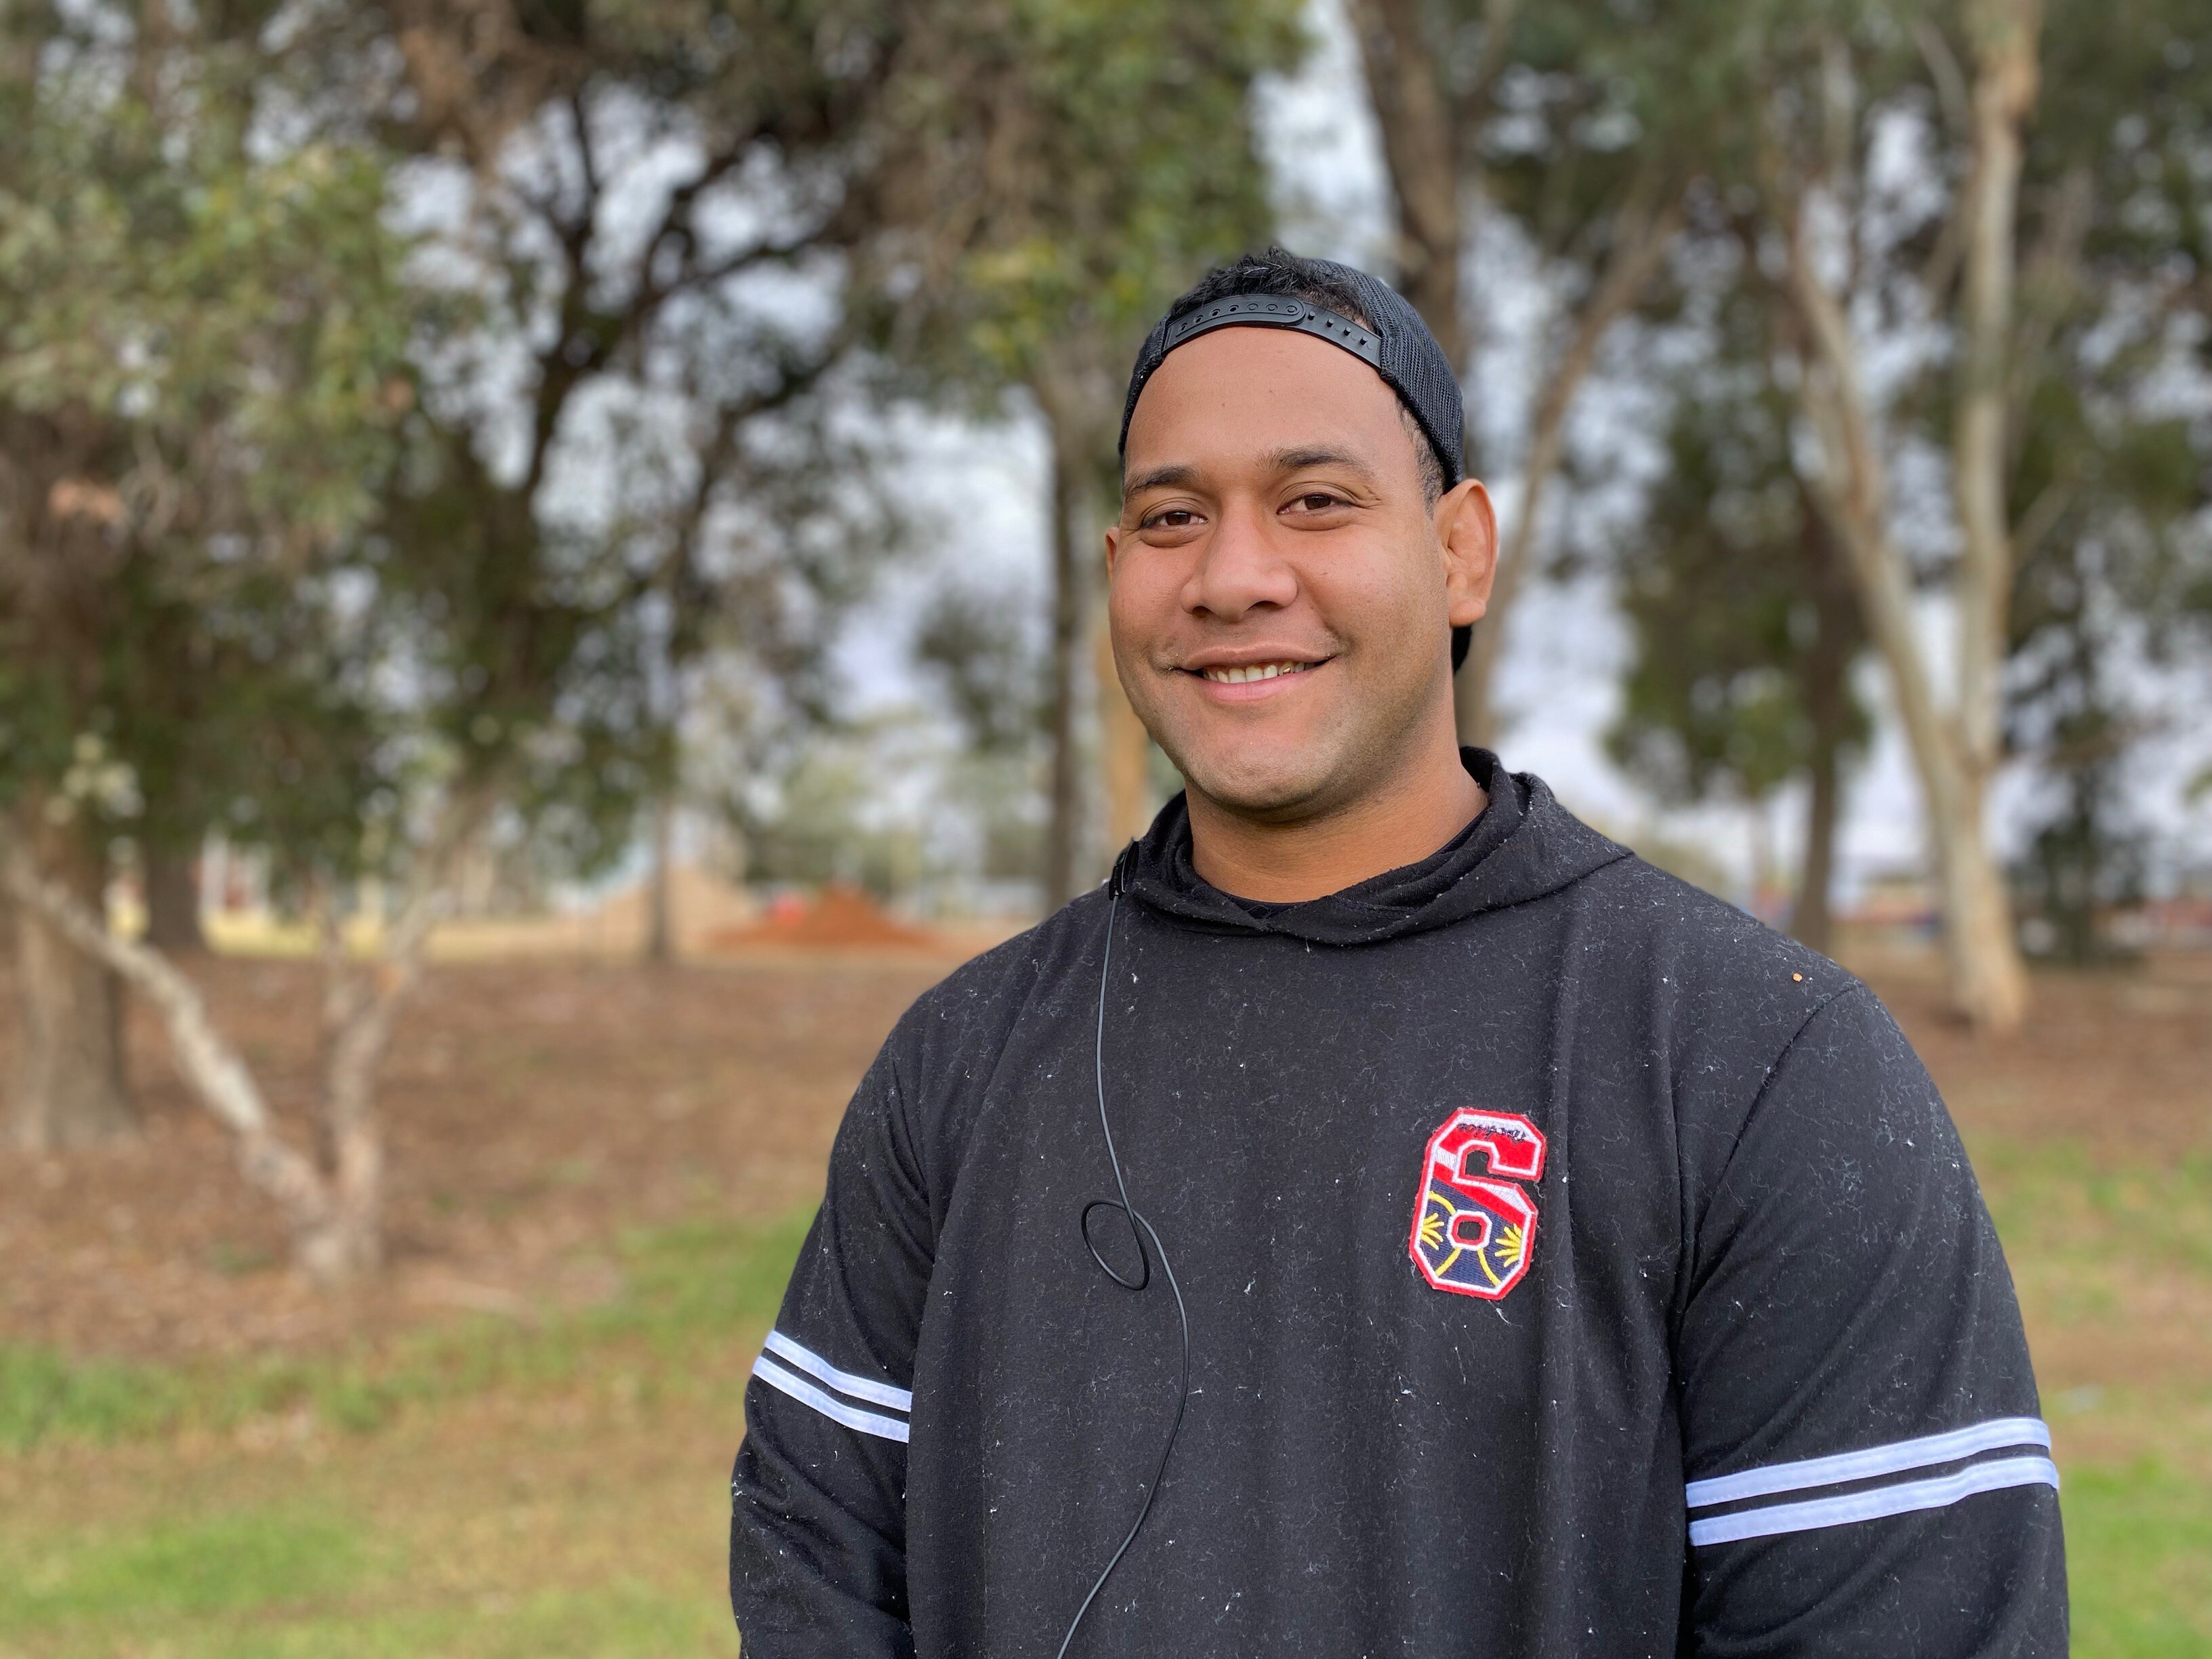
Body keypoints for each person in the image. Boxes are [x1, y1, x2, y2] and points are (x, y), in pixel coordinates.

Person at [727, 249, 2066, 1658]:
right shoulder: (963, 1059)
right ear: (1118, 571)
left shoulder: (1753, 1057)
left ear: (1460, 550)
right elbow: (818, 1550)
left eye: (1316, 501)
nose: (1236, 577)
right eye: (1174, 516)